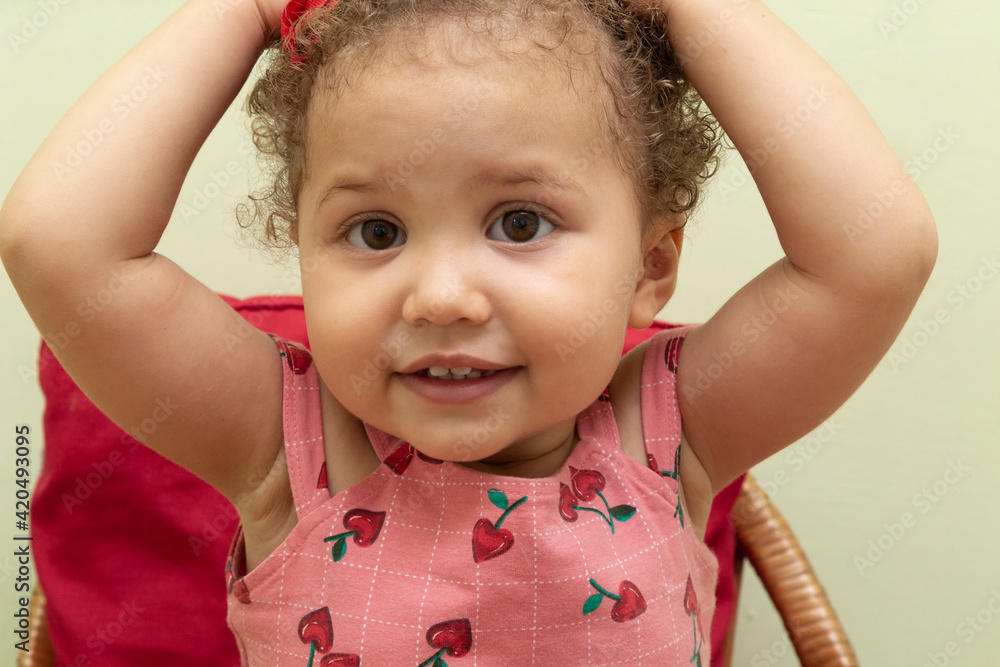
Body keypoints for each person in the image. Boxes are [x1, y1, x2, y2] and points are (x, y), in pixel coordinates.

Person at [0, 0, 936, 664]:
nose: (441, 296)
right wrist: (244, 12)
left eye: (520, 223)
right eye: (376, 232)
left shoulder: (669, 433)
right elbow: (59, 243)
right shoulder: (286, 447)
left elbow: (875, 251)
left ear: (651, 265)